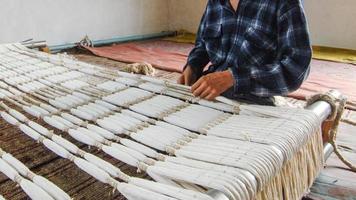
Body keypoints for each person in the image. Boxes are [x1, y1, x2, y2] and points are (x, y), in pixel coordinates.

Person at [178, 0, 311, 105]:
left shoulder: (284, 3)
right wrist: (193, 66)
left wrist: (233, 78)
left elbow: (296, 69)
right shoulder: (215, 2)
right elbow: (202, 43)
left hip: (256, 103)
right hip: (211, 98)